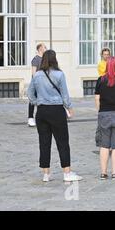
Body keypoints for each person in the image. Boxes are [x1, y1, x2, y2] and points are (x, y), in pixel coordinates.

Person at [27, 50, 83, 182]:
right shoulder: (59, 74)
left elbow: (30, 93)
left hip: (41, 111)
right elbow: (64, 94)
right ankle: (67, 172)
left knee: (44, 143)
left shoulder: (37, 75)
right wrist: (69, 107)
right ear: (54, 59)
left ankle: (46, 174)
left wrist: (37, 102)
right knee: (62, 142)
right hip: (57, 110)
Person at [28, 43, 47, 127]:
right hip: (36, 83)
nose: (46, 48)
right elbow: (33, 73)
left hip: (44, 83)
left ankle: (42, 118)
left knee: (43, 100)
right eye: (44, 47)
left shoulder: (45, 59)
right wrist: (36, 83)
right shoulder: (35, 59)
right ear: (40, 49)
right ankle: (30, 118)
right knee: (32, 100)